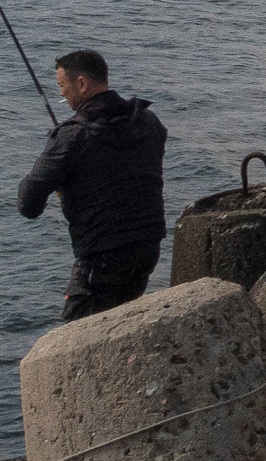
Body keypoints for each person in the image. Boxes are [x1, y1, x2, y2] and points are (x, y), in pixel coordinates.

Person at [15, 48, 167, 321]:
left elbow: (28, 203)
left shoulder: (74, 135)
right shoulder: (147, 120)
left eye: (63, 85)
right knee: (120, 324)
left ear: (82, 83)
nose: (61, 93)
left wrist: (63, 180)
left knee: (75, 335)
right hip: (147, 247)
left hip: (102, 255)